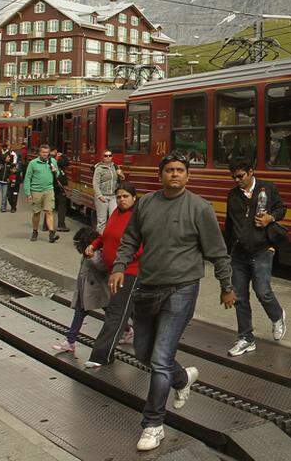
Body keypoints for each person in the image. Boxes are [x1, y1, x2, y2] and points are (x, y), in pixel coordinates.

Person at [110, 152, 235, 452]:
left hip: (182, 290)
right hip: (147, 287)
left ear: (188, 177)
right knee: (143, 352)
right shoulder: (146, 205)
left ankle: (153, 424)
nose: (175, 175)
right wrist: (118, 266)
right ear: (160, 175)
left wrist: (226, 286)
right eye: (169, 170)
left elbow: (218, 251)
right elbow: (130, 239)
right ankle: (182, 378)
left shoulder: (200, 208)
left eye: (180, 170)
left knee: (160, 359)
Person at [222, 159, 286, 356]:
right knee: (240, 297)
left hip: (262, 249)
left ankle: (277, 316)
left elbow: (281, 209)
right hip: (239, 253)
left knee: (263, 291)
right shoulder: (232, 195)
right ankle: (246, 338)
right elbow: (229, 225)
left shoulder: (268, 188)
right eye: (233, 177)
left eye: (240, 176)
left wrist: (271, 218)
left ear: (251, 172)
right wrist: (225, 252)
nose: (237, 180)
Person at [84, 181, 139, 368]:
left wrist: (122, 263)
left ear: (134, 197)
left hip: (129, 272)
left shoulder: (137, 217)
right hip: (113, 272)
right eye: (119, 197)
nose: (122, 200)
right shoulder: (116, 213)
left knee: (116, 312)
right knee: (137, 312)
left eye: (125, 196)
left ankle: (101, 355)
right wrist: (94, 245)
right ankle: (150, 346)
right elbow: (106, 235)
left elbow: (142, 245)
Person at [52, 227, 109, 355]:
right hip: (90, 292)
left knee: (111, 313)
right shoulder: (88, 253)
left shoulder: (97, 253)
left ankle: (127, 330)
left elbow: (102, 266)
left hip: (98, 291)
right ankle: (70, 341)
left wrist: (92, 257)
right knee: (81, 313)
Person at [21, 144, 59, 243]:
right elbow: (27, 178)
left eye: (47, 153)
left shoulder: (52, 161)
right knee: (36, 213)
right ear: (39, 153)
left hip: (49, 190)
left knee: (49, 211)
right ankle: (35, 231)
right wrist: (28, 193)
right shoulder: (33, 163)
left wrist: (55, 171)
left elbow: (57, 174)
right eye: (43, 152)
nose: (45, 154)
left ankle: (51, 234)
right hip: (36, 191)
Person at [92, 149, 124, 232]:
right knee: (102, 221)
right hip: (102, 196)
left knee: (113, 218)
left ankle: (110, 239)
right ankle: (99, 240)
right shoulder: (99, 168)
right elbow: (95, 183)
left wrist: (120, 174)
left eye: (110, 156)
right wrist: (100, 196)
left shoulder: (115, 166)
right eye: (106, 156)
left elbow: (122, 179)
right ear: (102, 157)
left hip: (113, 196)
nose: (108, 157)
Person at [53, 149, 70, 232]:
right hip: (60, 185)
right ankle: (61, 225)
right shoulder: (59, 162)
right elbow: (67, 162)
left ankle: (46, 225)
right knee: (62, 205)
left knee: (50, 206)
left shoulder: (48, 160)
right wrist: (63, 156)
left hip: (52, 185)